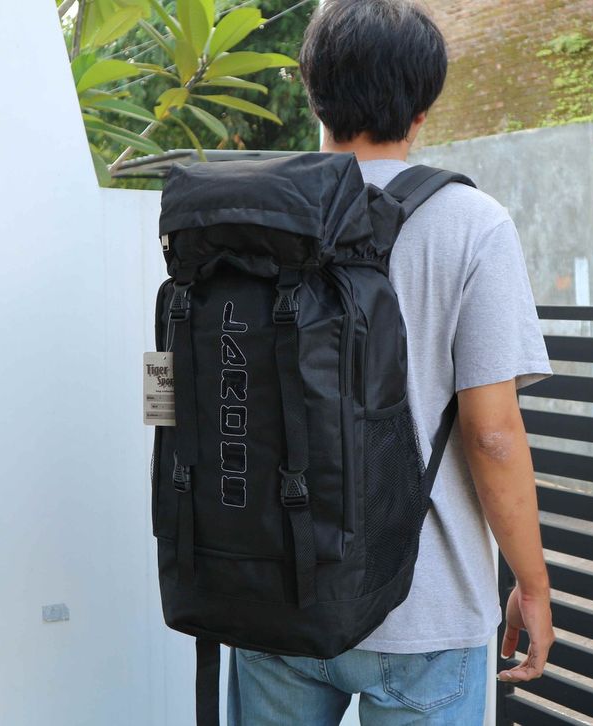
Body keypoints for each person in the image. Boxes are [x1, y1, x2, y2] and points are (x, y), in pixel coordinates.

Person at [227, 1, 556, 723]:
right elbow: (492, 435)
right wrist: (531, 582)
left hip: (276, 591)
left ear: (313, 94)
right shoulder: (472, 225)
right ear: (420, 110)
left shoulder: (253, 216)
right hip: (424, 609)